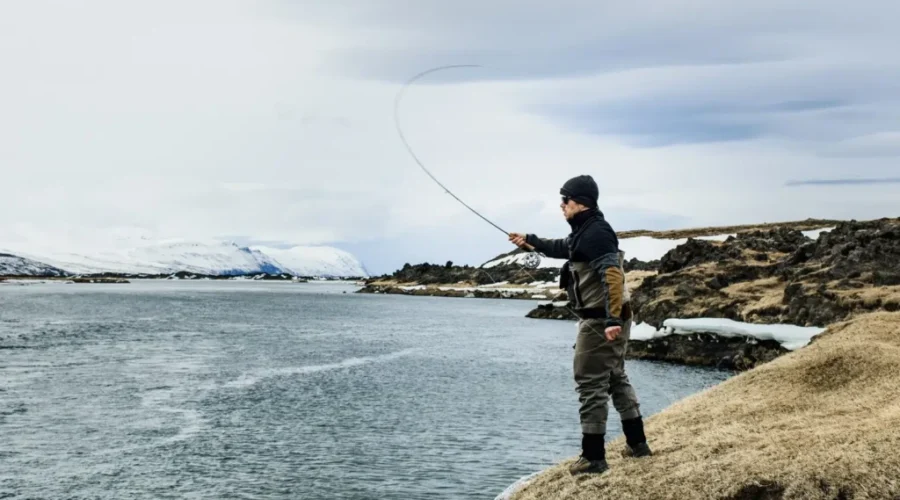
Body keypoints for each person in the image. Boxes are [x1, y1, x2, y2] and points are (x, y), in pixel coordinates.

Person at [509, 174, 652, 475]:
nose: (561, 206)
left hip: (602, 320)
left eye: (565, 200)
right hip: (608, 318)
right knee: (614, 376)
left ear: (580, 202)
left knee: (590, 383)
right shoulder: (586, 230)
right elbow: (565, 246)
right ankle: (637, 445)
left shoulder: (596, 232)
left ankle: (593, 458)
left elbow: (612, 276)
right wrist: (531, 242)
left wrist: (611, 320)